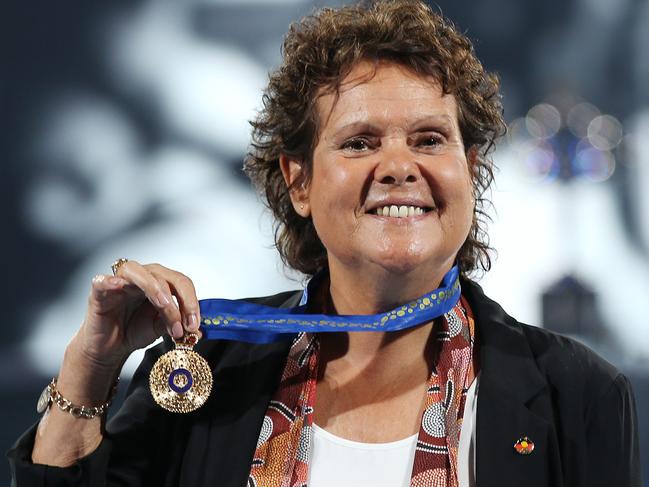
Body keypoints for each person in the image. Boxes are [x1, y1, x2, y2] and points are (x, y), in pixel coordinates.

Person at [8, 1, 641, 486]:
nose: (399, 166)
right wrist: (89, 372)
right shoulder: (204, 375)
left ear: (470, 171)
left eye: (428, 139)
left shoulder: (575, 395)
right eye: (360, 141)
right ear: (299, 180)